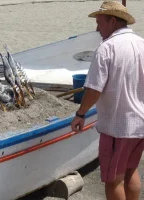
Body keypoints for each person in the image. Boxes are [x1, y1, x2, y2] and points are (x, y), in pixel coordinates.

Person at [70, 1, 144, 200]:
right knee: (131, 172)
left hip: (118, 127)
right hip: (139, 124)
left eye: (99, 22)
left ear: (112, 21)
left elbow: (94, 88)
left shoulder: (107, 48)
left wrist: (80, 114)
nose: (97, 28)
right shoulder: (141, 44)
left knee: (114, 180)